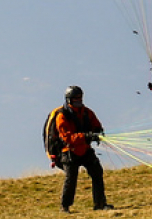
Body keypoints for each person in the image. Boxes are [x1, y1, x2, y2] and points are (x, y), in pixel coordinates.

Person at [55, 85, 112, 213]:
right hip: (69, 151)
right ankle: (65, 207)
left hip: (85, 150)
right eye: (75, 98)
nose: (78, 100)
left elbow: (95, 124)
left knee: (97, 173)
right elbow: (68, 138)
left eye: (80, 98)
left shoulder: (87, 112)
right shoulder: (62, 116)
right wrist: (86, 136)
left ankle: (100, 204)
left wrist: (97, 132)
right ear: (69, 100)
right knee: (71, 178)